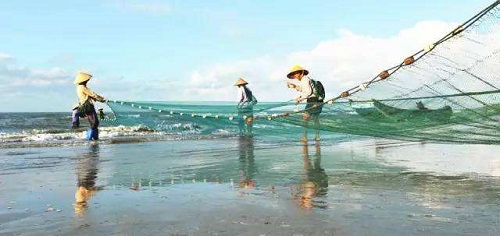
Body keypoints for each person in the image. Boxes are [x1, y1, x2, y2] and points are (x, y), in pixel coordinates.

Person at [286, 65, 322, 142]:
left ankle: (304, 137)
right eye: (293, 74)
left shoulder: (305, 80)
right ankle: (317, 136)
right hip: (318, 100)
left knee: (305, 119)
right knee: (316, 119)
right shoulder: (306, 80)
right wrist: (294, 86)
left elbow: (308, 92)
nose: (294, 76)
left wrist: (299, 99)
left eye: (296, 74)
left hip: (312, 100)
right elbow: (305, 90)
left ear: (301, 73)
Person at [74, 72, 106, 141]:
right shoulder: (82, 87)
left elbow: (88, 96)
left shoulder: (79, 87)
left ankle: (95, 139)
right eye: (86, 80)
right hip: (88, 106)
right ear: (83, 80)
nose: (87, 81)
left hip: (84, 106)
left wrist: (97, 98)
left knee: (94, 123)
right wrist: (101, 99)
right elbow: (93, 94)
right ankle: (89, 138)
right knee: (94, 123)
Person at [74, 144, 103, 216]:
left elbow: (83, 189)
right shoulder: (82, 199)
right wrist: (97, 189)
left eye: (85, 206)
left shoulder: (80, 198)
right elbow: (89, 192)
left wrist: (94, 189)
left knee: (91, 165)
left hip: (86, 181)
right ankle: (93, 148)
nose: (86, 205)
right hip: (86, 181)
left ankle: (93, 148)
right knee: (92, 165)